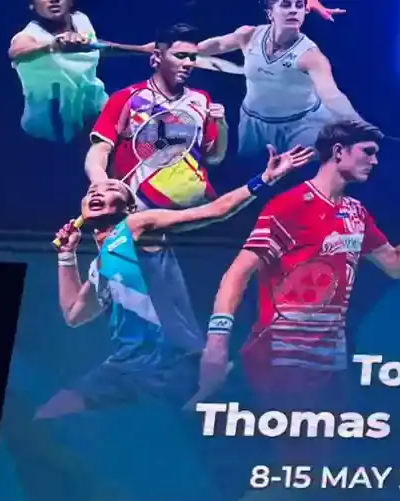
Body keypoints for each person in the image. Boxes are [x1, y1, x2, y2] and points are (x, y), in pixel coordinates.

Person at [40, 145, 315, 419]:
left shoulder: (136, 225)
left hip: (176, 362)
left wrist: (265, 179)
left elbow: (216, 210)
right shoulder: (100, 266)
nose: (97, 192)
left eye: (111, 188)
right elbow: (74, 314)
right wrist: (67, 255)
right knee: (48, 415)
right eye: (92, 191)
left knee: (210, 428)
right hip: (127, 366)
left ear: (130, 207)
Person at [202, 119, 400, 409]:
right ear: (339, 151)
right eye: (368, 151)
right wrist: (217, 343)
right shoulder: (292, 205)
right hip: (279, 357)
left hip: (330, 362)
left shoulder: (355, 212)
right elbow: (237, 274)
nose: (375, 161)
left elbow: (396, 265)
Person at [84, 25, 227, 211]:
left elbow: (214, 157)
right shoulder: (128, 98)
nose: (188, 63)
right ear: (158, 57)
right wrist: (101, 184)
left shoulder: (201, 99)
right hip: (141, 210)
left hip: (195, 211)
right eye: (180, 56)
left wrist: (221, 125)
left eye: (192, 57)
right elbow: (99, 151)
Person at [197, 0, 362, 160]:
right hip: (253, 122)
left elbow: (331, 95)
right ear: (270, 13)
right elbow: (218, 44)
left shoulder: (311, 56)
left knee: (300, 171)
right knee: (248, 168)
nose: (293, 10)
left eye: (299, 5)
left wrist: (361, 126)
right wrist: (189, 50)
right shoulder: (249, 35)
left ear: (305, 12)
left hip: (301, 125)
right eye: (286, 4)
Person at [8, 0, 107, 143]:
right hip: (51, 135)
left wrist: (138, 50)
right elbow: (15, 51)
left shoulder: (81, 20)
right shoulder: (30, 35)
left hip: (97, 116)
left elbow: (96, 46)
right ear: (32, 4)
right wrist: (53, 46)